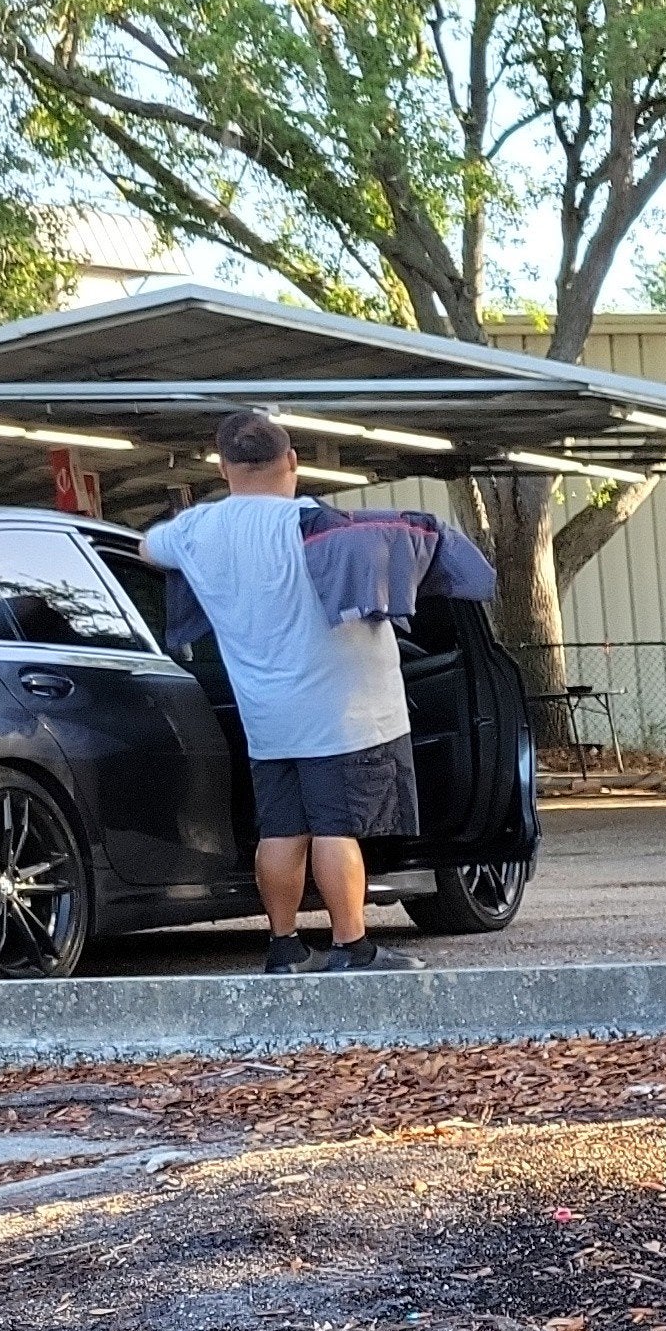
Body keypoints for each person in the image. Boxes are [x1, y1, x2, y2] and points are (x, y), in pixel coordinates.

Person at [142, 410, 416, 970]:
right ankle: (351, 947)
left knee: (283, 830)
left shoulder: (196, 531)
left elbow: (149, 549)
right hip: (341, 712)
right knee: (336, 829)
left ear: (223, 467)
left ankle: (285, 947)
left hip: (265, 715)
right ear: (291, 461)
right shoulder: (315, 522)